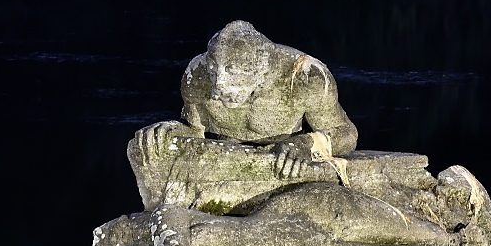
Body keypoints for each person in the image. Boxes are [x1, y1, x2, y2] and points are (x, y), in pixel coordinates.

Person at [138, 20, 358, 179]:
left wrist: (306, 144)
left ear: (261, 69)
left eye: (233, 70)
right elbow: (196, 132)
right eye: (215, 69)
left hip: (282, 161)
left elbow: (346, 133)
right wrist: (174, 130)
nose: (219, 84)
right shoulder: (198, 74)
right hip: (224, 159)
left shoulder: (303, 76)